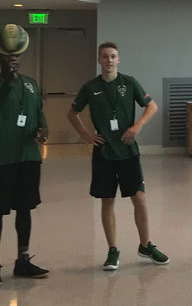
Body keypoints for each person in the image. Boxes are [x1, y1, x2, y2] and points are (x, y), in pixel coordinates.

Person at [67, 41, 169, 270]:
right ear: (99, 60)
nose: (109, 60)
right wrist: (85, 135)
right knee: (107, 200)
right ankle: (113, 250)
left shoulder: (129, 83)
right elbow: (72, 113)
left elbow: (151, 106)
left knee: (139, 198)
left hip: (128, 151)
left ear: (118, 59)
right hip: (104, 152)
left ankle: (146, 245)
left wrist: (137, 126)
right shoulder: (90, 87)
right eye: (105, 57)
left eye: (113, 56)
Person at [0, 24, 49, 288]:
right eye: (9, 57)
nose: (14, 60)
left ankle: (22, 261)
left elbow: (39, 112)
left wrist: (43, 129)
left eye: (17, 56)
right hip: (2, 160)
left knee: (25, 209)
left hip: (29, 158)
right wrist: (8, 84)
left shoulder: (31, 85)